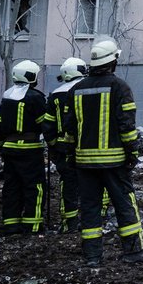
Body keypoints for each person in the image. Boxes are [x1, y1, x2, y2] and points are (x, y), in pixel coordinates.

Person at [63, 38, 143, 266]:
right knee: (124, 203)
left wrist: (70, 155)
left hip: (84, 163)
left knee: (90, 207)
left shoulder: (76, 89)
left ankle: (92, 256)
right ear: (113, 61)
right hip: (114, 162)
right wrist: (132, 153)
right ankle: (133, 252)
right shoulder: (119, 87)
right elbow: (127, 126)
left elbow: (69, 128)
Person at [0, 60, 48, 235]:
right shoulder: (36, 97)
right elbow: (44, 123)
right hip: (30, 150)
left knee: (12, 186)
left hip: (10, 149)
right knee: (35, 187)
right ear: (31, 77)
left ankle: (11, 224)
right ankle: (32, 224)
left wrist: (2, 147)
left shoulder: (7, 97)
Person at [44, 57, 87, 233]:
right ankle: (95, 218)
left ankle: (69, 223)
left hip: (63, 149)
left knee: (68, 184)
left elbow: (48, 125)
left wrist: (53, 146)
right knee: (92, 183)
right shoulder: (87, 89)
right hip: (86, 146)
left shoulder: (55, 95)